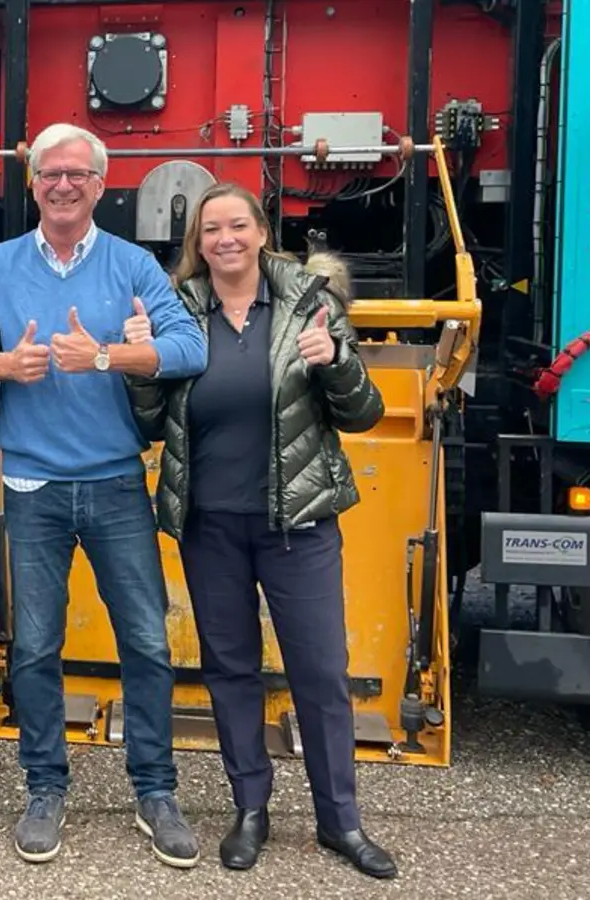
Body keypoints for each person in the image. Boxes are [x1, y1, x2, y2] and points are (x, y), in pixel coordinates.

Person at [0, 122, 208, 868]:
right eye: (49, 174)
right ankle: (45, 787)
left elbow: (191, 347)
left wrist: (109, 355)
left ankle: (155, 790)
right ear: (33, 183)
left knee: (147, 642)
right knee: (36, 648)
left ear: (98, 185)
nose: (61, 185)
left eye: (76, 175)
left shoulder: (133, 266)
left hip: (117, 481)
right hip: (32, 485)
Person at [122, 181, 396, 879]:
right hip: (209, 524)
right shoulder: (180, 309)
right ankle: (250, 809)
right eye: (211, 230)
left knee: (321, 673)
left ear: (261, 231)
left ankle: (340, 821)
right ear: (197, 244)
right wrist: (143, 367)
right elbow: (151, 424)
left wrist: (333, 364)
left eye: (237, 225)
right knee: (231, 671)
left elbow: (363, 411)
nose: (225, 240)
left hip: (297, 523)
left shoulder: (309, 302)